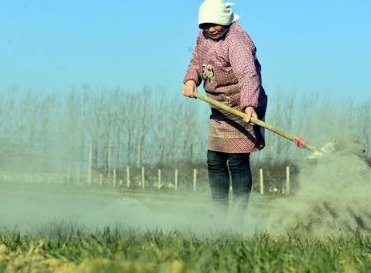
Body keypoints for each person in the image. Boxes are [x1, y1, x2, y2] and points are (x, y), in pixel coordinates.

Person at [182, 0, 268, 216]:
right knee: (215, 159)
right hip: (219, 109)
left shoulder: (236, 42)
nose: (210, 29)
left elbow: (249, 75)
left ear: (225, 21)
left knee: (237, 161)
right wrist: (192, 80)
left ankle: (237, 218)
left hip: (243, 108)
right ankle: (220, 215)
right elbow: (196, 62)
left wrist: (249, 105)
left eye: (215, 24)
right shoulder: (204, 37)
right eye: (205, 25)